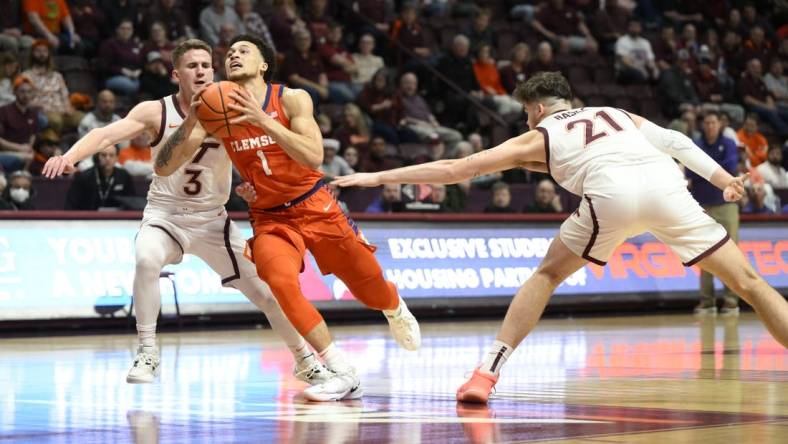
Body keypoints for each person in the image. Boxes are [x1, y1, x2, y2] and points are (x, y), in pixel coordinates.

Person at [333, 72, 788, 403]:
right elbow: (675, 141)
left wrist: (373, 176)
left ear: (537, 108)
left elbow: (456, 170)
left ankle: (484, 376)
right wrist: (724, 177)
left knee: (547, 275)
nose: (527, 121)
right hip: (667, 187)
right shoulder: (616, 113)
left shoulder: (541, 133)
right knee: (751, 283)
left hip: (611, 196)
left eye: (527, 113)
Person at [42, 39, 331, 388]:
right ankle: (147, 351)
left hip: (212, 219)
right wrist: (69, 157)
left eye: (207, 65)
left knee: (268, 294)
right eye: (193, 66)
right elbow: (106, 134)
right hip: (166, 215)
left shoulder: (232, 109)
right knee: (146, 259)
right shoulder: (156, 111)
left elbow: (260, 157)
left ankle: (304, 360)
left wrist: (251, 186)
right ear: (176, 74)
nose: (202, 72)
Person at [153, 34, 421, 402]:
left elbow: (313, 157)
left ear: (264, 63)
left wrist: (263, 120)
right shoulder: (219, 108)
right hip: (268, 215)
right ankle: (341, 371)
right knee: (278, 281)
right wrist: (190, 121)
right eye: (229, 53)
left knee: (369, 290)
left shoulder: (292, 98)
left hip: (315, 205)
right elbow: (163, 165)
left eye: (243, 51)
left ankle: (393, 306)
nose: (233, 55)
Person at [687, 112, 740, 316]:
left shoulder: (728, 143)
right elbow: (691, 172)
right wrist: (713, 172)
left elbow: (731, 167)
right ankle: (707, 301)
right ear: (703, 125)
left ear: (720, 124)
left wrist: (705, 171)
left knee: (731, 254)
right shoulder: (697, 144)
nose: (710, 126)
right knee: (704, 254)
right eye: (707, 122)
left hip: (727, 205)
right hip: (702, 207)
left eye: (713, 122)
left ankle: (731, 300)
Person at [64, 146, 136, 210]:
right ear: (97, 157)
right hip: (87, 220)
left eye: (111, 155)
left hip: (118, 220)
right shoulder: (84, 177)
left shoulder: (124, 176)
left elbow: (132, 202)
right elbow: (70, 206)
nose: (108, 159)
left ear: (117, 158)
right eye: (104, 155)